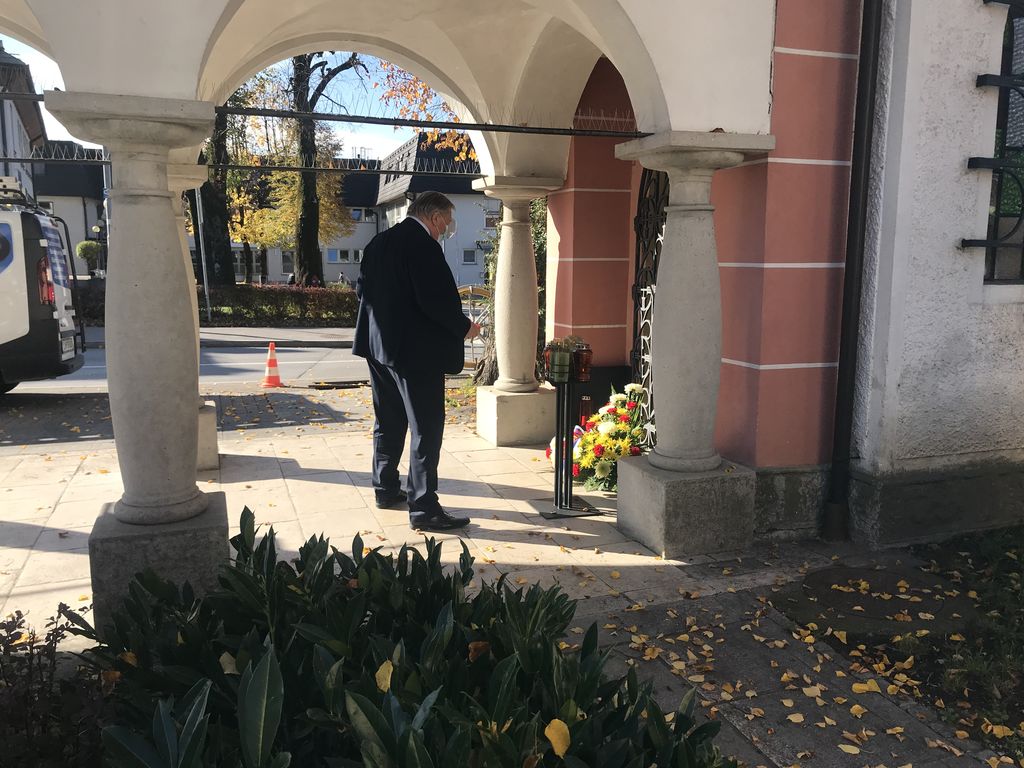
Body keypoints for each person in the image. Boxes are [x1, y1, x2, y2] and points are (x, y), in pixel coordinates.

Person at [353, 191, 481, 531]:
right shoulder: (423, 246)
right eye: (448, 222)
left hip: (378, 347)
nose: (447, 229)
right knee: (426, 427)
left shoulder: (379, 242)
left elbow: (362, 291)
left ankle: (385, 488)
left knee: (388, 419)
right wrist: (465, 328)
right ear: (435, 217)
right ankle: (424, 508)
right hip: (416, 354)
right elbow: (435, 301)